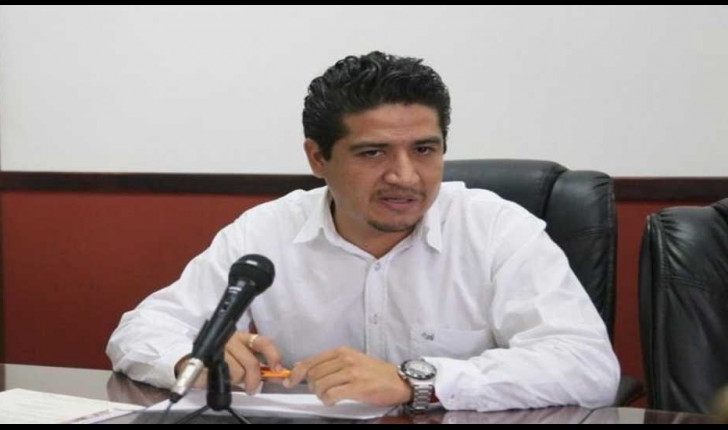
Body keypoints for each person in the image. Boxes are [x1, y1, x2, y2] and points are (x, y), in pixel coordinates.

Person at [107, 51, 619, 412]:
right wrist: (195, 355)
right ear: (318, 158)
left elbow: (587, 366)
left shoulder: (497, 229)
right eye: (373, 153)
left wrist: (416, 381)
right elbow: (141, 330)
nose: (405, 176)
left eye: (424, 149)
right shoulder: (266, 231)